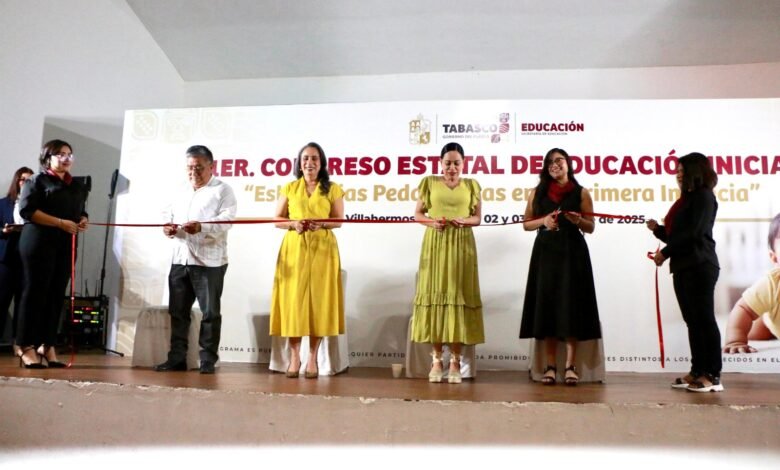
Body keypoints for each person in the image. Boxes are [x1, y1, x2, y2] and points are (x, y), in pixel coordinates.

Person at [519, 148, 601, 386]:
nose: (554, 165)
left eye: (559, 160)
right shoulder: (537, 192)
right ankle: (550, 365)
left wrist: (578, 220)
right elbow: (526, 224)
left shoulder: (581, 192)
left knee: (571, 305)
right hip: (546, 252)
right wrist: (543, 221)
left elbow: (591, 227)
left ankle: (570, 366)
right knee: (548, 306)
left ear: (568, 164)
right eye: (550, 162)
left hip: (573, 253)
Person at [155, 145, 237, 374]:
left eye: (199, 167)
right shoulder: (179, 189)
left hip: (209, 262)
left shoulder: (223, 190)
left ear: (211, 166)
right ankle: (177, 359)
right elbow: (166, 214)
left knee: (210, 313)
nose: (194, 172)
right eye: (190, 167)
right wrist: (167, 227)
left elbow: (228, 220)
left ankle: (207, 360)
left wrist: (202, 227)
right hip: (180, 259)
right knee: (178, 313)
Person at [646, 152, 722, 392]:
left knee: (704, 319)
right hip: (683, 266)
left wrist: (665, 253)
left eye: (682, 171)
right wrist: (657, 230)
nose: (678, 175)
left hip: (700, 265)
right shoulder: (685, 200)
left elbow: (695, 234)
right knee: (692, 321)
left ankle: (713, 375)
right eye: (677, 171)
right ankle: (697, 370)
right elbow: (677, 236)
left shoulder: (704, 197)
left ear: (695, 172)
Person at [411, 142, 484, 384]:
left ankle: (455, 360)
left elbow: (477, 218)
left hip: (462, 244)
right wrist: (433, 223)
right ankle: (436, 360)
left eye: (457, 163)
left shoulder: (472, 185)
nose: (452, 168)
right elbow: (418, 214)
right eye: (448, 163)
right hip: (436, 243)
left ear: (463, 164)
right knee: (436, 295)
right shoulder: (429, 182)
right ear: (440, 163)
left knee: (458, 296)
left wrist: (465, 220)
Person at [270, 142, 345, 379]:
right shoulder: (290, 188)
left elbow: (339, 220)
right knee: (294, 302)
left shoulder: (333, 188)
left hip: (323, 249)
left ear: (321, 163)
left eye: (314, 158)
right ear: (299, 163)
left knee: (318, 303)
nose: (309, 163)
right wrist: (293, 224)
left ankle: (312, 358)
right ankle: (295, 357)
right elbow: (277, 219)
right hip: (294, 248)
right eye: (305, 158)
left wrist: (321, 223)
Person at [16, 141, 89, 368]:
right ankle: (25, 345)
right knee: (35, 293)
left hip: (65, 243)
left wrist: (83, 219)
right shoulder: (36, 181)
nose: (66, 158)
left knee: (57, 294)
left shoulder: (75, 185)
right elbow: (27, 210)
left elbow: (80, 210)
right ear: (48, 158)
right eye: (60, 154)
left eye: (69, 154)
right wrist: (59, 222)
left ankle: (47, 344)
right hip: (38, 242)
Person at [722, 212, 780, 353]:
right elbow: (744, 309)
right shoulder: (771, 284)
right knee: (755, 332)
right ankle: (764, 319)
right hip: (773, 321)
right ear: (774, 258)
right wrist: (736, 340)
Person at [1, 166, 34, 353]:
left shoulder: (35, 205)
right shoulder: (3, 204)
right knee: (1, 300)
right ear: (17, 181)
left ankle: (19, 343)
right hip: (6, 258)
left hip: (27, 258)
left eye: (30, 180)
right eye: (23, 179)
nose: (26, 183)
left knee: (23, 303)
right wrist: (4, 230)